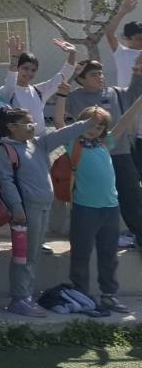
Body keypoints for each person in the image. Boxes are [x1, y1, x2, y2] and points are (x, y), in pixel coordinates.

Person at [0, 107, 88, 316]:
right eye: (28, 123)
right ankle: (19, 299)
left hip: (43, 206)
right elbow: (6, 182)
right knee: (23, 256)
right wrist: (17, 208)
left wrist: (87, 123)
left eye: (33, 122)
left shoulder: (38, 144)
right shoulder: (4, 151)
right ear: (12, 127)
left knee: (32, 255)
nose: (33, 127)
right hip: (26, 211)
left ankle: (26, 296)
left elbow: (63, 134)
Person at [65, 98, 142, 313]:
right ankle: (81, 294)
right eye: (90, 125)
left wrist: (138, 102)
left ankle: (109, 295)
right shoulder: (73, 144)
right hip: (84, 209)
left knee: (108, 255)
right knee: (81, 254)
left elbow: (124, 122)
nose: (94, 130)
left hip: (110, 209)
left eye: (99, 127)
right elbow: (60, 122)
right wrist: (61, 97)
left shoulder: (105, 144)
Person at [64, 56, 142, 251]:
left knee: (131, 195)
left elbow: (134, 94)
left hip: (120, 152)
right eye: (93, 74)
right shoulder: (73, 98)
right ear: (81, 79)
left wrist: (137, 74)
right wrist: (72, 74)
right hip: (89, 156)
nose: (99, 77)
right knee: (93, 199)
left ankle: (139, 235)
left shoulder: (114, 92)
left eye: (100, 73)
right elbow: (56, 98)